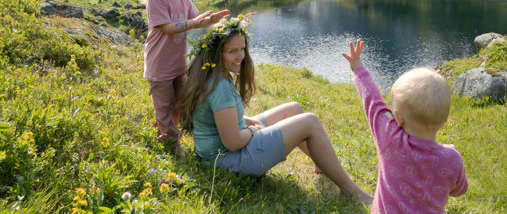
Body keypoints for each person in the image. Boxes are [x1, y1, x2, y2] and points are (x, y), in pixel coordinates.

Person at [179, 15, 373, 205]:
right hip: (229, 162)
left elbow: (219, 117)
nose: (241, 56)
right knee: (310, 122)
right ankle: (350, 191)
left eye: (242, 49)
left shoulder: (214, 74)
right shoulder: (220, 88)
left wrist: (247, 121)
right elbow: (233, 142)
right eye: (232, 51)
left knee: (294, 109)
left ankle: (321, 162)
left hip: (221, 155)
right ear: (216, 53)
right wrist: (254, 130)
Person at [340, 40, 467, 213]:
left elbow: (373, 101)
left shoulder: (390, 139)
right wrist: (450, 153)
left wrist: (358, 67)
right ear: (444, 120)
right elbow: (459, 190)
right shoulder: (452, 159)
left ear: (397, 117)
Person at [138, 0, 229, 156]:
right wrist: (193, 22)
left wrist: (209, 21)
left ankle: (163, 129)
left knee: (181, 102)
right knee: (165, 105)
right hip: (159, 65)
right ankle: (171, 144)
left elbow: (193, 22)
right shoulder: (157, 0)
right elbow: (168, 28)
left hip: (177, 64)